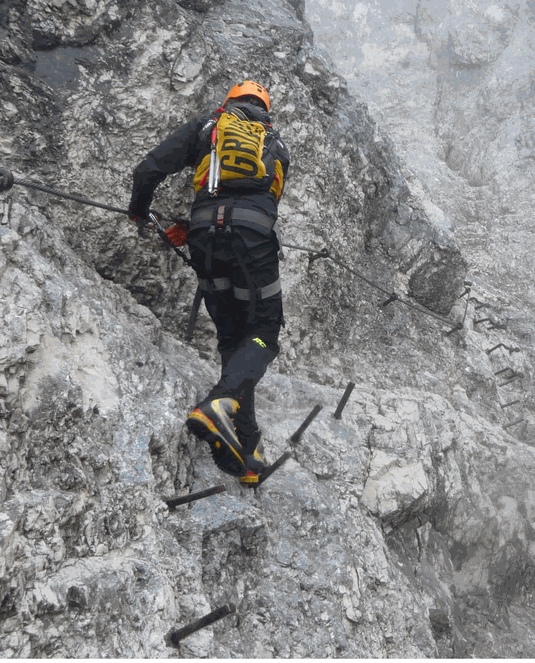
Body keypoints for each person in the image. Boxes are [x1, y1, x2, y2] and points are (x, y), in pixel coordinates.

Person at [128, 81, 290, 485]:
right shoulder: (277, 145)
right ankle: (222, 403)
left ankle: (246, 446)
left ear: (228, 103)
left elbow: (147, 170)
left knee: (232, 338)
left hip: (202, 237)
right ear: (265, 113)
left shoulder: (206, 127)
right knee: (263, 332)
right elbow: (264, 200)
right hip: (252, 239)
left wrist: (140, 212)